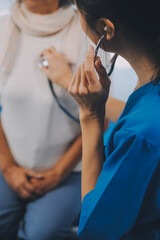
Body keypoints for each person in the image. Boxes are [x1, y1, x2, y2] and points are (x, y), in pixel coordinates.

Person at [67, 0, 160, 239]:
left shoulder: (140, 133)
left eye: (77, 11)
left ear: (105, 29)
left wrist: (91, 116)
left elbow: (94, 230)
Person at [0, 0, 88, 239]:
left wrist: (58, 173)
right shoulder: (3, 26)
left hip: (69, 170)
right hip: (9, 162)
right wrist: (7, 167)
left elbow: (97, 116)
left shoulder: (85, 30)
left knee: (41, 234)